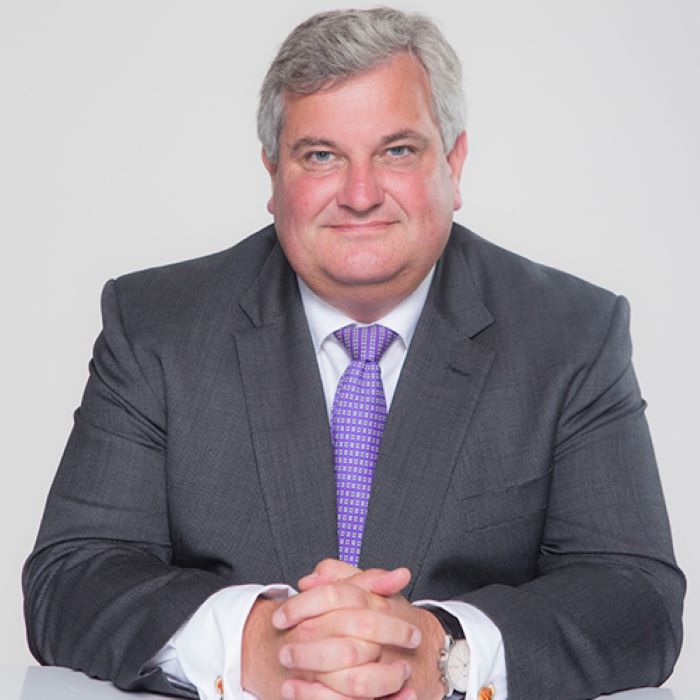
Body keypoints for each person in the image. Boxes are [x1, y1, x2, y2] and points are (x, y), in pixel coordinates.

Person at [23, 7, 684, 700]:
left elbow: (635, 598)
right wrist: (253, 643)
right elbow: (69, 581)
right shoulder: (157, 326)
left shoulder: (571, 333)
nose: (360, 195)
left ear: (454, 165)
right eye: (321, 155)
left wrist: (439, 649)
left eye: (397, 151)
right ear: (273, 174)